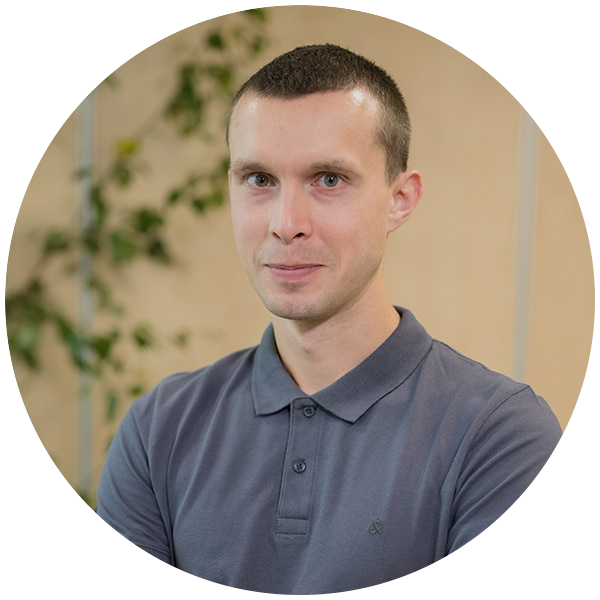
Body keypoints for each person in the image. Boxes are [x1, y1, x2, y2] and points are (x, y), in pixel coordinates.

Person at [96, 44, 563, 594]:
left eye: (329, 179)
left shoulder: (501, 438)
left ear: (399, 199)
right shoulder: (159, 430)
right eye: (258, 179)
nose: (286, 222)